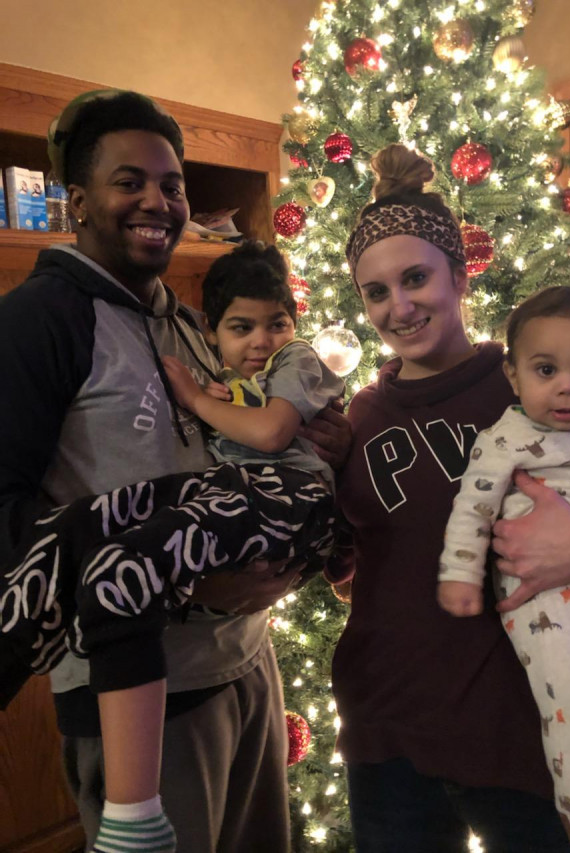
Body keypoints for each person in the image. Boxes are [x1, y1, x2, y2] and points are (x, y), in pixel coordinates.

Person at [0, 89, 349, 853]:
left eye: (172, 183)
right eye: (130, 182)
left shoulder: (191, 325)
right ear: (78, 200)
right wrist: (191, 584)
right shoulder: (37, 321)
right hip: (145, 704)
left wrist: (316, 445)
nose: (158, 201)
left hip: (249, 667)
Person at [327, 143, 570, 853]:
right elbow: (352, 560)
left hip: (520, 744)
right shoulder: (360, 418)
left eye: (416, 278)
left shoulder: (540, 388)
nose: (399, 306)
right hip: (388, 738)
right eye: (376, 292)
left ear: (461, 277)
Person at [437, 286, 570, 851]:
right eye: (546, 369)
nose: (567, 386)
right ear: (514, 374)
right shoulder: (507, 437)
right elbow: (472, 507)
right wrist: (458, 574)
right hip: (550, 598)